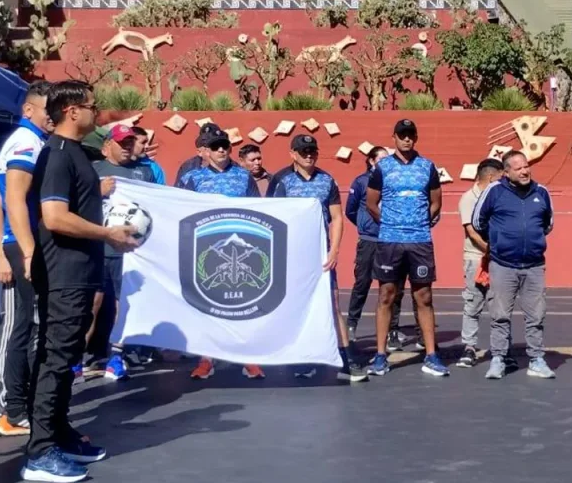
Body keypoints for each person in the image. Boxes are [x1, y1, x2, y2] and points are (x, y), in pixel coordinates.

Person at [22, 80, 139, 483]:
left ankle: (58, 432)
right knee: (55, 359)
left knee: (68, 355)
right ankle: (39, 451)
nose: (97, 112)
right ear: (72, 111)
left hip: (80, 272)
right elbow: (53, 218)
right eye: (92, 105)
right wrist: (108, 234)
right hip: (63, 274)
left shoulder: (75, 154)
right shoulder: (56, 155)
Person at [267, 134, 365, 382]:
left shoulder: (326, 180)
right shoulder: (281, 180)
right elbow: (272, 216)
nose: (309, 155)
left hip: (321, 253)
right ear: (293, 154)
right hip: (292, 254)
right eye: (303, 151)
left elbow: (338, 218)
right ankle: (300, 357)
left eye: (312, 151)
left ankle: (346, 357)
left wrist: (334, 251)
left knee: (333, 304)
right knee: (295, 304)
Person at [0, 80, 53, 438]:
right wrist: (19, 250)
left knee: (31, 327)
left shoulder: (34, 142)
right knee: (17, 328)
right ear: (28, 110)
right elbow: (7, 199)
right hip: (21, 246)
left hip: (25, 244)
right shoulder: (25, 142)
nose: (51, 118)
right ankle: (10, 409)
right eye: (47, 111)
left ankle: (19, 403)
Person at [177, 131, 265, 381]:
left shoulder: (244, 176)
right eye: (215, 147)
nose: (221, 150)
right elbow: (178, 210)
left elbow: (257, 209)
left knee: (244, 303)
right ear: (206, 150)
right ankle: (206, 359)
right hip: (204, 249)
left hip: (241, 246)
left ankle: (248, 357)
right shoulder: (192, 177)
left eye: (224, 146)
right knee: (205, 305)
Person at [365, 119, 446, 377]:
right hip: (390, 241)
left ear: (416, 137)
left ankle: (431, 355)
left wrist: (420, 222)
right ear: (394, 138)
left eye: (411, 135)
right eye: (402, 135)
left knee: (424, 297)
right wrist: (390, 223)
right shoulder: (383, 167)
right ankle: (380, 356)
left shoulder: (427, 167)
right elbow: (371, 203)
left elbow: (435, 202)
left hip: (420, 241)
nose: (407, 139)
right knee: (386, 295)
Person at [472, 151, 555, 380]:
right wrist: (500, 240)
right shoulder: (494, 191)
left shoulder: (542, 192)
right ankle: (498, 359)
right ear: (506, 172)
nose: (524, 171)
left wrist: (530, 239)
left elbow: (548, 224)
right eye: (518, 168)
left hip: (534, 266)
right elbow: (479, 221)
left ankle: (536, 359)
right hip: (502, 265)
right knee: (499, 315)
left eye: (526, 166)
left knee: (536, 316)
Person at [88, 125, 159, 382]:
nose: (128, 148)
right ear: (108, 145)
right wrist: (97, 191)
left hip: (130, 255)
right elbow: (73, 201)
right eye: (122, 143)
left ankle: (116, 357)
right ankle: (74, 360)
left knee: (124, 306)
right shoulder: (94, 169)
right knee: (90, 306)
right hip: (96, 248)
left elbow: (157, 208)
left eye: (131, 143)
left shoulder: (145, 172)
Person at [345, 146, 401, 343]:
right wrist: (365, 226)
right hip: (369, 241)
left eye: (388, 159)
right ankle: (351, 324)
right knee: (362, 284)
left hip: (391, 240)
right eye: (381, 159)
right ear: (371, 161)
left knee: (393, 287)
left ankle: (392, 331)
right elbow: (350, 211)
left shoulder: (394, 180)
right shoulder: (361, 181)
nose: (386, 163)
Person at [458, 158, 503, 366]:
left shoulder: (500, 197)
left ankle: (500, 349)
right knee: (473, 304)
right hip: (476, 258)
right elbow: (472, 233)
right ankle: (469, 347)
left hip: (498, 260)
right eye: (501, 177)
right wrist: (493, 250)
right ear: (491, 176)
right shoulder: (469, 198)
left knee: (500, 306)